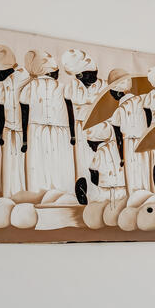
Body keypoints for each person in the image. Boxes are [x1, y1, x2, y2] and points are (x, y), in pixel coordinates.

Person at [19, 49, 75, 194]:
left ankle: (39, 194)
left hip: (36, 130)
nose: (58, 73)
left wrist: (24, 138)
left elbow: (24, 114)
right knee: (59, 163)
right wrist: (73, 133)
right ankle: (62, 193)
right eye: (56, 70)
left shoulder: (29, 88)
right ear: (50, 72)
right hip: (60, 130)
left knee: (39, 163)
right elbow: (70, 111)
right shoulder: (62, 87)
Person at [63, 49, 104, 200]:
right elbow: (70, 111)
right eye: (90, 74)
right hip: (80, 127)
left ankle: (99, 195)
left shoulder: (103, 86)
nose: (94, 76)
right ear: (79, 75)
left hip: (99, 126)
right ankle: (83, 192)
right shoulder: (71, 87)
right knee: (82, 162)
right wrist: (73, 133)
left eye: (95, 72)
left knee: (98, 162)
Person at [0, 44, 27, 198]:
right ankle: (10, 196)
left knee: (22, 165)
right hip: (9, 129)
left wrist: (26, 137)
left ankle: (22, 196)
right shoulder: (5, 82)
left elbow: (27, 107)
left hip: (23, 130)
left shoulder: (24, 78)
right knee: (10, 165)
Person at [106, 69, 152, 195]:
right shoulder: (142, 101)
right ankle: (146, 196)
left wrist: (120, 155)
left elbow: (117, 134)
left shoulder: (119, 109)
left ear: (117, 91)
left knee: (132, 173)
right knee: (144, 172)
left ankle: (134, 199)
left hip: (128, 143)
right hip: (142, 141)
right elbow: (148, 115)